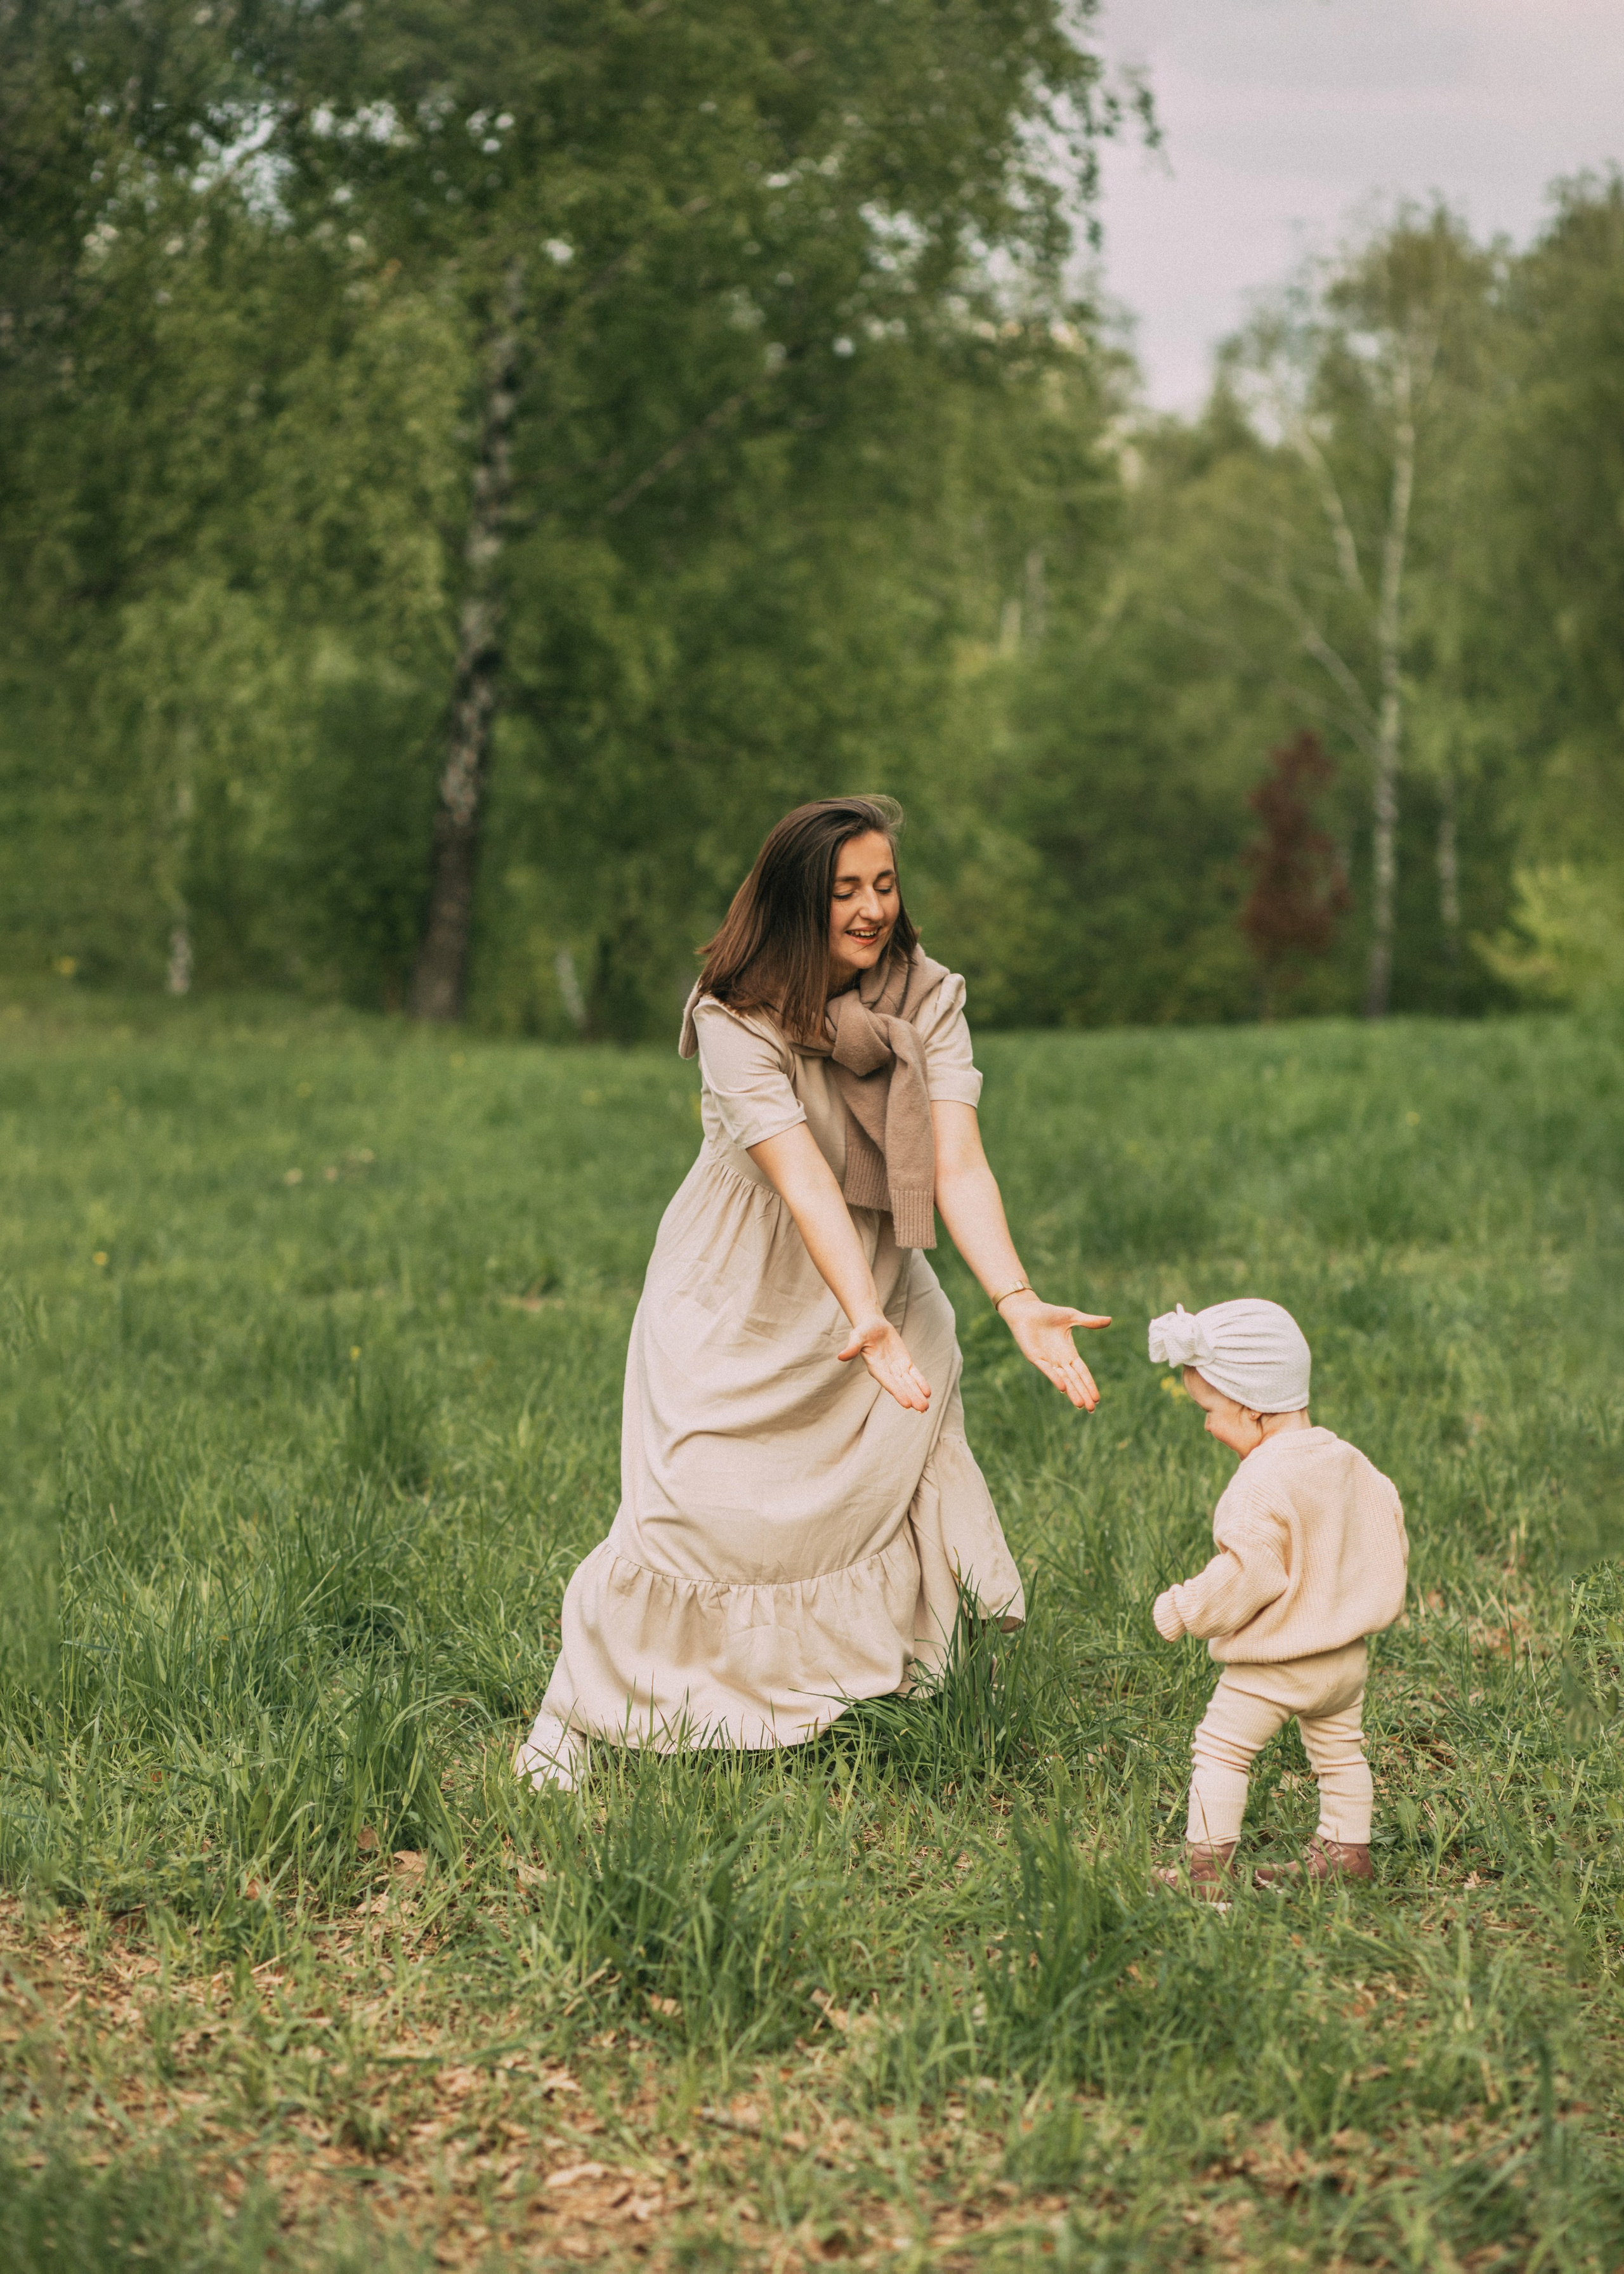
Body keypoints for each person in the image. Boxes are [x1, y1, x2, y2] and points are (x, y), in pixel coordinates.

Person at [515, 795, 1110, 1788]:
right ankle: (579, 1715)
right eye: (846, 891)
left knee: (873, 1499)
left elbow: (958, 1162)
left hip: (880, 1280)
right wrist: (861, 1319)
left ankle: (870, 1691)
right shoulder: (734, 1011)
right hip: (741, 1286)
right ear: (798, 903)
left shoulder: (928, 999)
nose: (873, 908)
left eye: (884, 883)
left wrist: (1014, 1298)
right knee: (689, 1506)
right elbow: (798, 1176)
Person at [1146, 1298, 1408, 1893]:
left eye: (1210, 1410)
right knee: (1341, 1752)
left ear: (1252, 1407)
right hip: (1345, 1659)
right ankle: (1348, 1852)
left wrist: (1186, 1608)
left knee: (1221, 1748)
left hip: (1277, 1663)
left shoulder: (1261, 1481)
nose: (1208, 1425)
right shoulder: (1350, 1460)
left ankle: (1205, 1870)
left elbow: (1249, 1573)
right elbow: (1386, 1528)